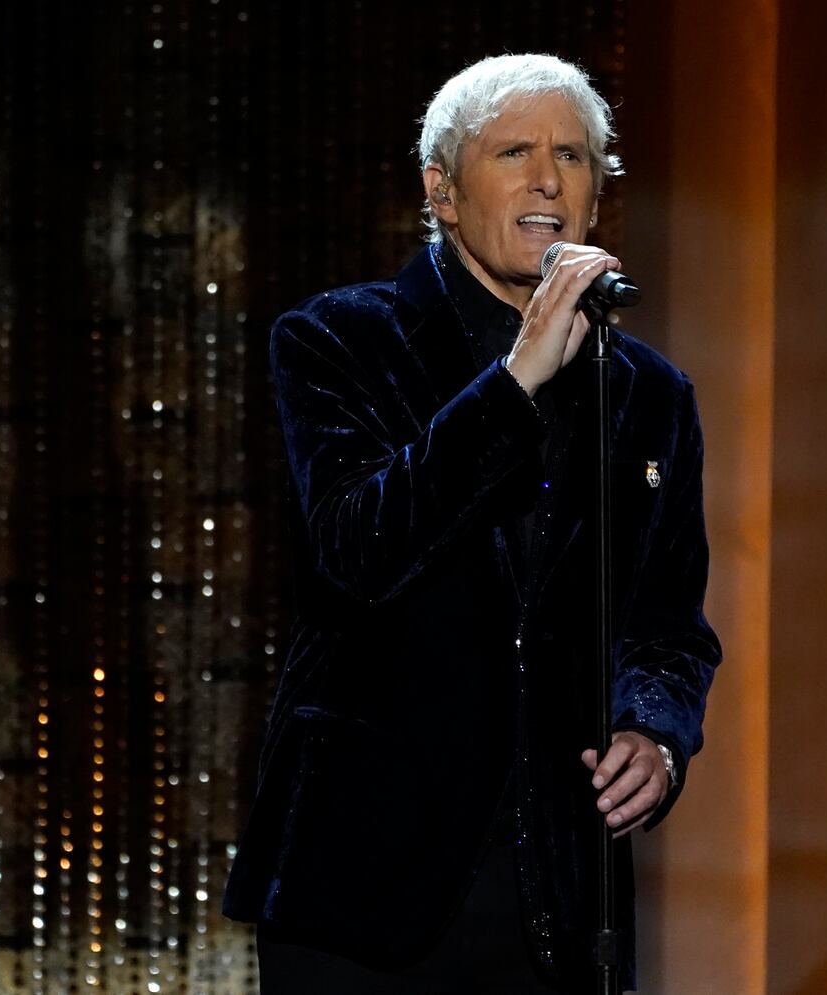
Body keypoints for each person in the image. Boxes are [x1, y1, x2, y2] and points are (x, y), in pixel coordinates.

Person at [222, 53, 721, 993]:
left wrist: (656, 734)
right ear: (441, 191)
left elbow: (669, 624)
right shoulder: (339, 341)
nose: (548, 178)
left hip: (559, 890)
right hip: (369, 881)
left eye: (574, 156)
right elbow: (356, 553)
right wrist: (512, 384)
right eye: (516, 152)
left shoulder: (649, 393)